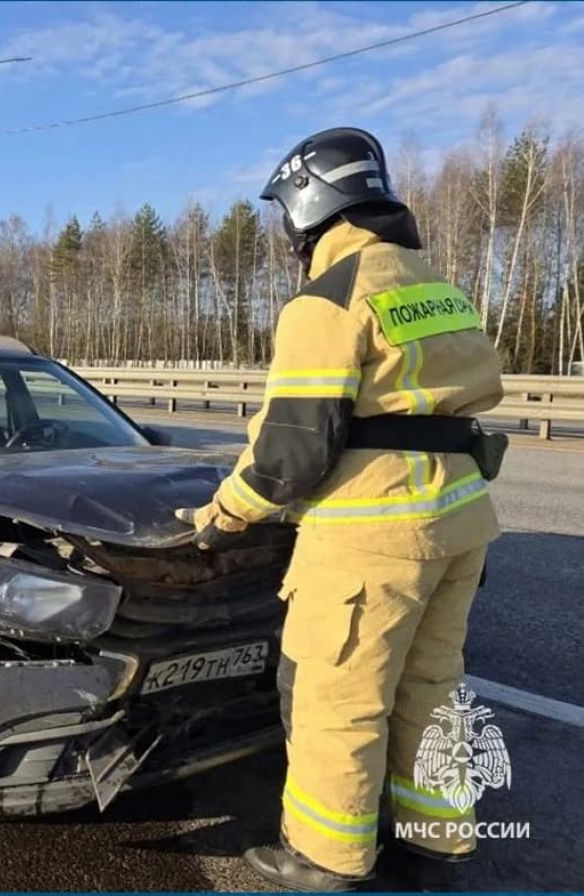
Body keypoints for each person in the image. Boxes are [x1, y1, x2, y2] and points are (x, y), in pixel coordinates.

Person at [179, 126, 506, 891]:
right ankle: (437, 839)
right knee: (431, 688)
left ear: (307, 205)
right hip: (460, 522)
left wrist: (225, 514)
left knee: (338, 698)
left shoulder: (329, 299)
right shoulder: (435, 287)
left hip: (373, 536)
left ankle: (325, 858)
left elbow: (292, 450)